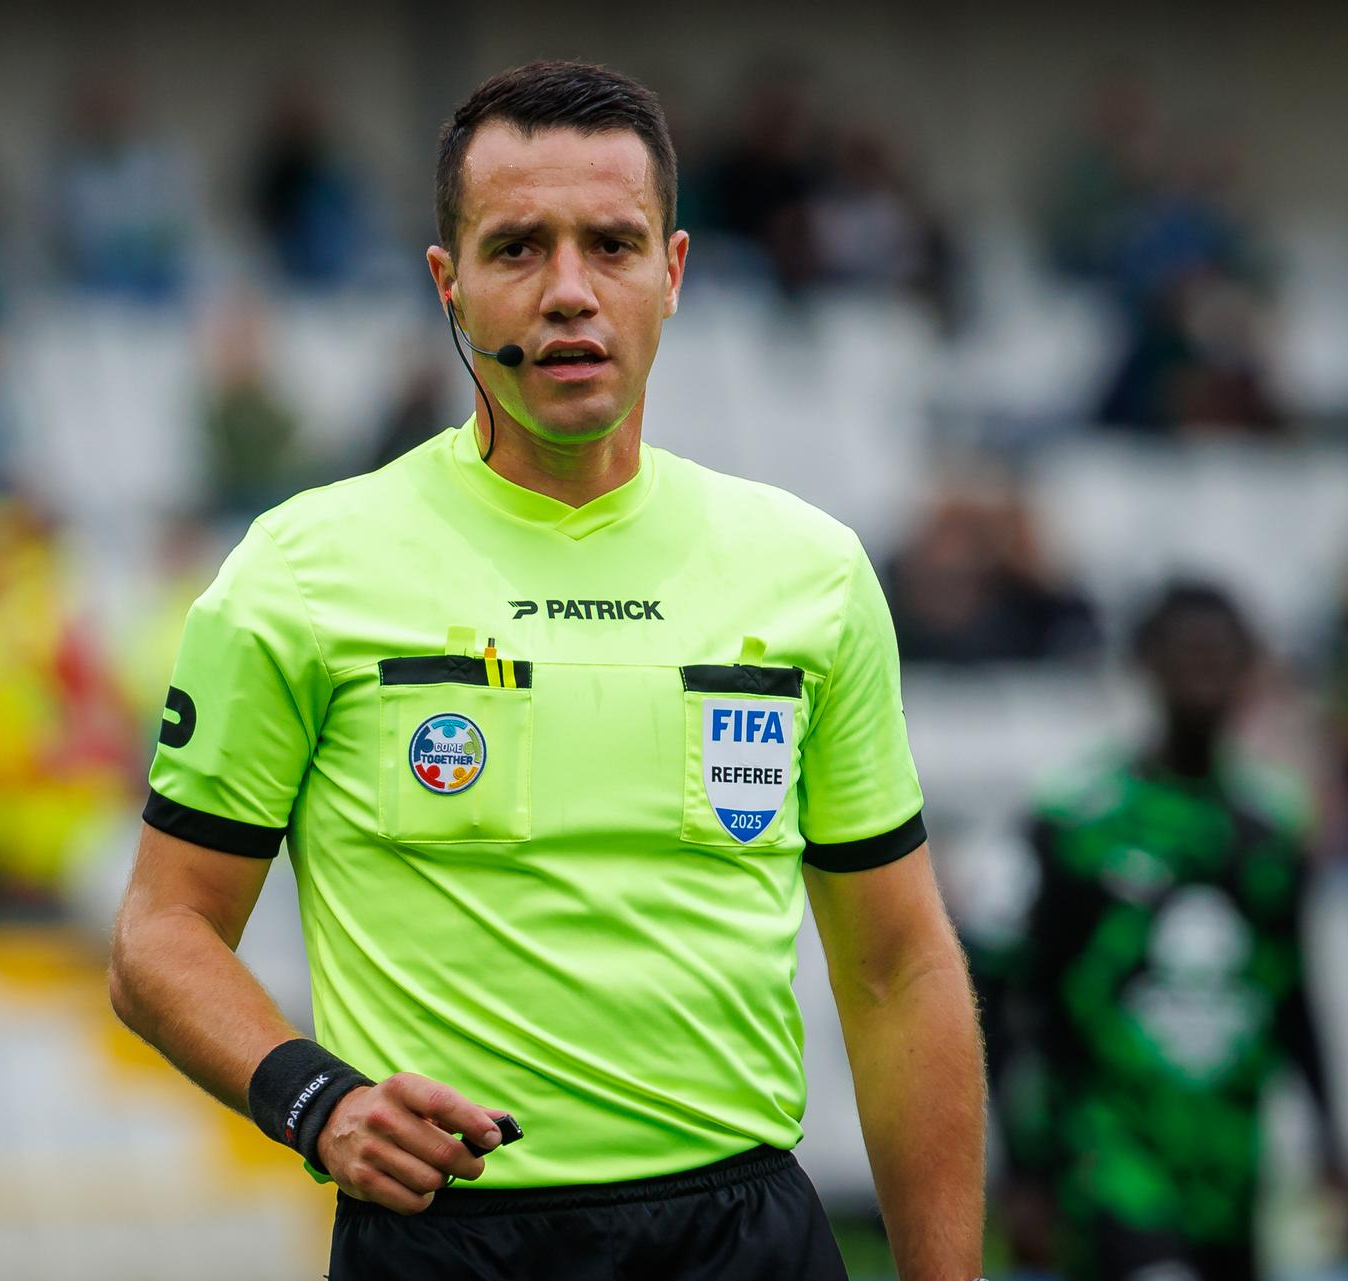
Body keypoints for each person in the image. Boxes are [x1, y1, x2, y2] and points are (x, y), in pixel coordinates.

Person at [108, 61, 985, 1280]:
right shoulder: (303, 572)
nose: (570, 292)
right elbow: (161, 934)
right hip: (450, 1246)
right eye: (518, 248)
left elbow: (898, 969)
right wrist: (319, 1103)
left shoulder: (811, 574)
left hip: (745, 1240)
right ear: (448, 285)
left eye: (612, 246)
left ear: (672, 274)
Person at [989, 582, 1344, 1281]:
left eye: (1221, 656)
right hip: (1109, 1160)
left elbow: (1290, 993)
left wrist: (1328, 1141)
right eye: (1186, 655)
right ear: (1146, 665)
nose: (1203, 674)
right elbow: (1005, 996)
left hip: (1231, 1165)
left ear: (1249, 669)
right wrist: (1023, 1164)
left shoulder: (1271, 830)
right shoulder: (1078, 824)